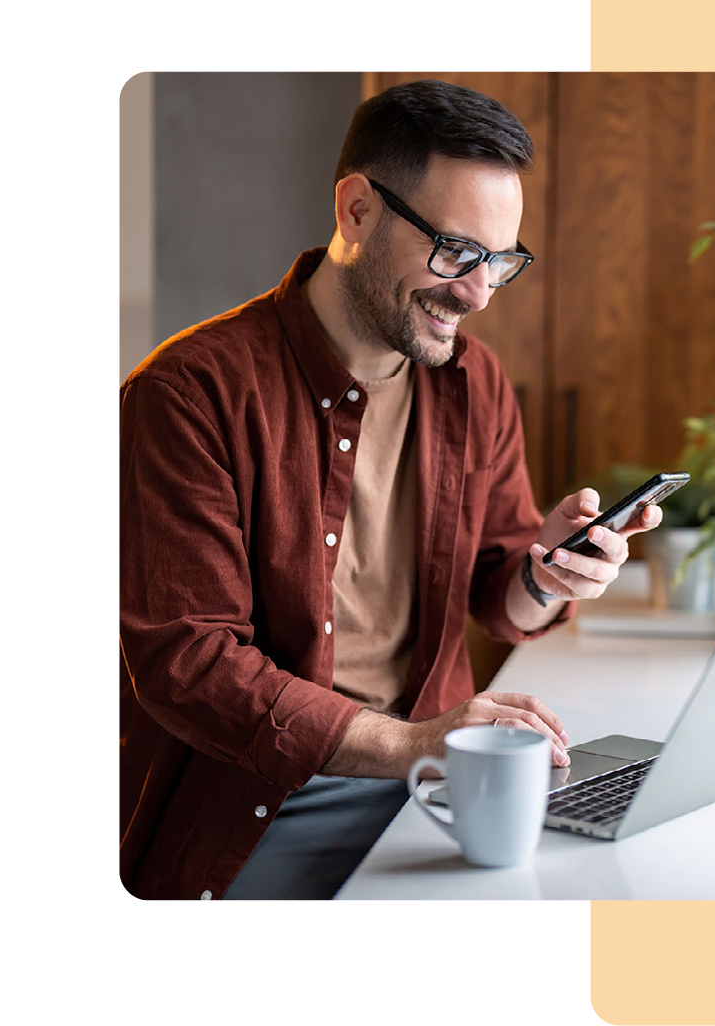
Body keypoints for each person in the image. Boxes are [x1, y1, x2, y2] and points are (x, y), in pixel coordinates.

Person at [119, 80, 662, 901]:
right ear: (357, 212)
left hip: (439, 784)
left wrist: (544, 574)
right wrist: (418, 746)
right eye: (455, 253)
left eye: (499, 261)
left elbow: (495, 597)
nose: (478, 294)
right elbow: (190, 663)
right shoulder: (188, 393)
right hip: (268, 804)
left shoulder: (474, 385)